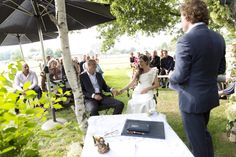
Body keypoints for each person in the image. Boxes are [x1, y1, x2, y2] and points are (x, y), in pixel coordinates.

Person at [169, 1, 226, 157]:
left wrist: (170, 77)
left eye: (181, 17)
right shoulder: (219, 38)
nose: (181, 22)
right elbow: (221, 69)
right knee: (203, 137)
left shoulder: (185, 40)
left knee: (197, 144)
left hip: (191, 101)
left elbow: (179, 75)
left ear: (187, 16)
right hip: (208, 97)